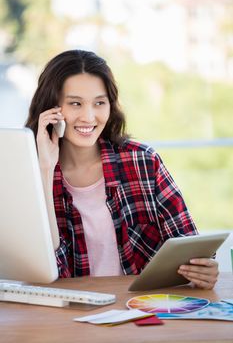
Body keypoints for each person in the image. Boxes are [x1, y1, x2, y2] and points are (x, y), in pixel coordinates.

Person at [25, 49, 218, 289]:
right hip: (69, 311)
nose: (89, 116)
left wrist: (203, 270)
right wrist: (45, 167)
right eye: (75, 103)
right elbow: (47, 271)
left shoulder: (143, 161)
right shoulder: (27, 170)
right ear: (52, 109)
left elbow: (189, 243)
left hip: (140, 308)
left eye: (99, 103)